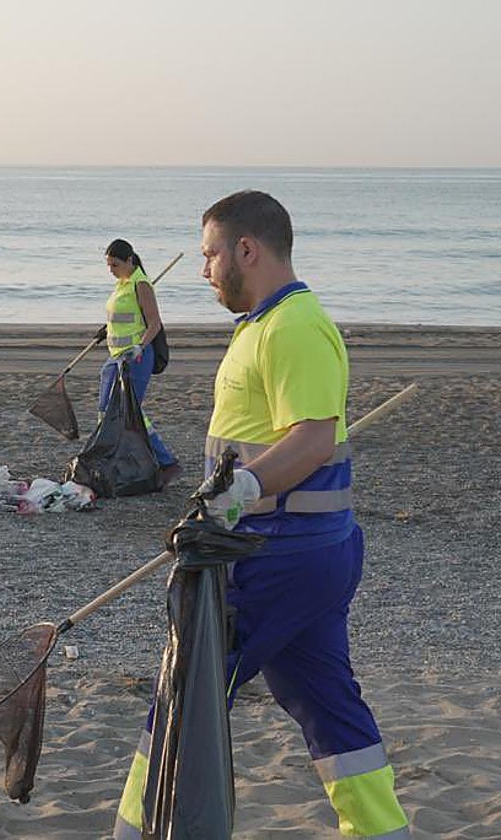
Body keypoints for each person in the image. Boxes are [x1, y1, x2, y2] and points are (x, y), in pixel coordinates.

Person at [111, 192, 409, 838]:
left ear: (248, 249)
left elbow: (312, 439)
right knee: (329, 710)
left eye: (210, 254)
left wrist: (241, 488)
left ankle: (134, 831)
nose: (204, 270)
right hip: (307, 552)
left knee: (182, 695)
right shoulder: (263, 324)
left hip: (275, 551)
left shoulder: (295, 327)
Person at [97, 238, 182, 487]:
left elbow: (153, 323)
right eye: (109, 265)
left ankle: (167, 463)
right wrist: (106, 329)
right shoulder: (123, 283)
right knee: (106, 408)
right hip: (116, 357)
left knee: (131, 411)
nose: (111, 270)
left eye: (114, 265)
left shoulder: (141, 284)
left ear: (129, 261)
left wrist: (139, 346)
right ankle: (118, 457)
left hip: (136, 357)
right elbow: (125, 315)